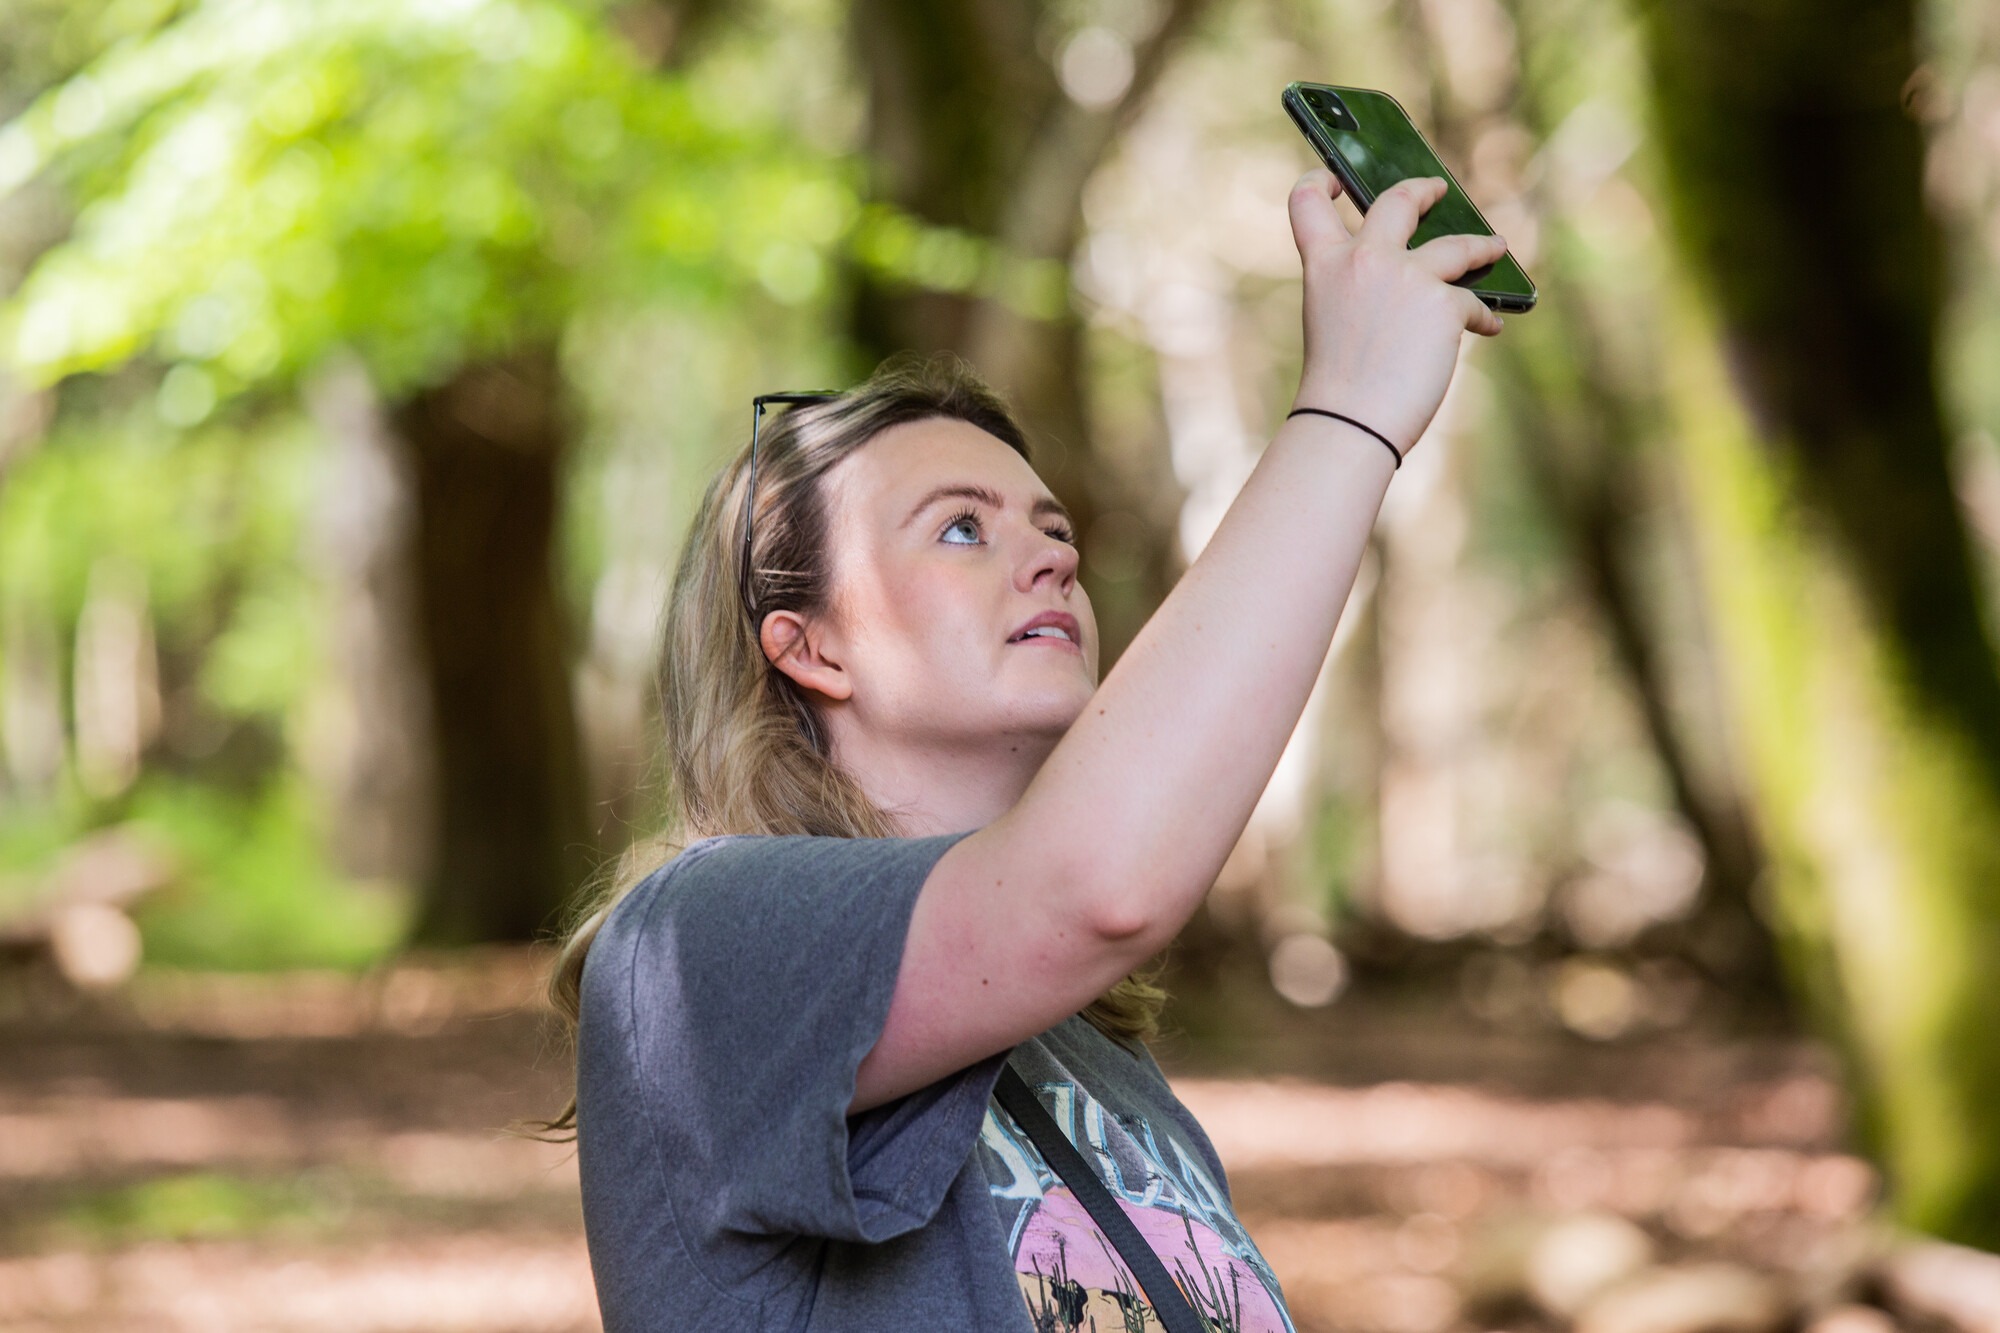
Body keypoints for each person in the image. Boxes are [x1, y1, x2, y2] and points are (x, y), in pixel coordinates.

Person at [541, 167, 1507, 1331]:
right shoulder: (695, 946)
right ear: (811, 649)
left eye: (1054, 529)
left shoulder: (1085, 1051)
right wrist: (1348, 408)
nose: (1051, 557)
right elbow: (1095, 885)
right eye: (960, 528)